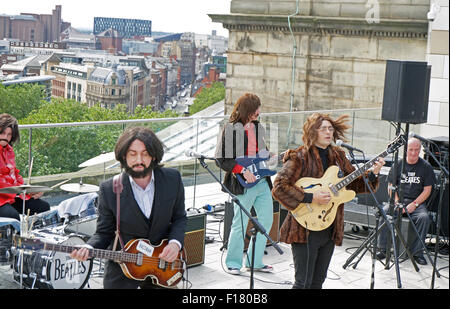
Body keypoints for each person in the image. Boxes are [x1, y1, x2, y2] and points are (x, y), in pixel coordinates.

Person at [272, 113, 385, 289]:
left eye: (330, 128)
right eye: (323, 128)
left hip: (330, 226)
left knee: (318, 282)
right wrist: (310, 197)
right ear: (312, 131)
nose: (328, 132)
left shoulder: (339, 155)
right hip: (305, 228)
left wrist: (373, 174)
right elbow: (279, 186)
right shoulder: (300, 156)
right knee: (303, 283)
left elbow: (354, 184)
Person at [71, 127, 187, 289]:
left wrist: (175, 244)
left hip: (162, 268)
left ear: (154, 156)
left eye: (145, 153)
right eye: (132, 154)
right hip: (122, 272)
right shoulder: (109, 189)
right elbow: (104, 233)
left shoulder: (172, 178)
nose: (139, 160)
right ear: (124, 156)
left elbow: (179, 217)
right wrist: (88, 247)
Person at [215, 93, 274, 275]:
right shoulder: (231, 129)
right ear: (247, 110)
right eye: (256, 108)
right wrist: (241, 170)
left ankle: (254, 261)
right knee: (239, 222)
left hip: (262, 181)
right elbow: (221, 159)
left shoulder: (258, 128)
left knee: (266, 219)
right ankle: (233, 262)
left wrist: (270, 156)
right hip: (243, 183)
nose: (259, 111)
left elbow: (260, 153)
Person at [377, 137, 436, 265]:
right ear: (405, 150)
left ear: (420, 150)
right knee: (385, 212)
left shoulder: (426, 167)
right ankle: (383, 249)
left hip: (416, 203)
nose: (414, 153)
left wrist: (414, 204)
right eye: (411, 150)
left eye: (416, 150)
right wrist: (397, 202)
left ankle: (417, 253)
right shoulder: (398, 164)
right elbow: (390, 187)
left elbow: (427, 190)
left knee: (424, 218)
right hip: (399, 200)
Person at [0, 113, 50, 221]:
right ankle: (12, 237)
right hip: (1, 198)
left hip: (11, 196)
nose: (5, 137)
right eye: (3, 133)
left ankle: (33, 236)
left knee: (43, 207)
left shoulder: (9, 150)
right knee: (12, 216)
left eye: (9, 134)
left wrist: (28, 189)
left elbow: (14, 175)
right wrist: (20, 190)